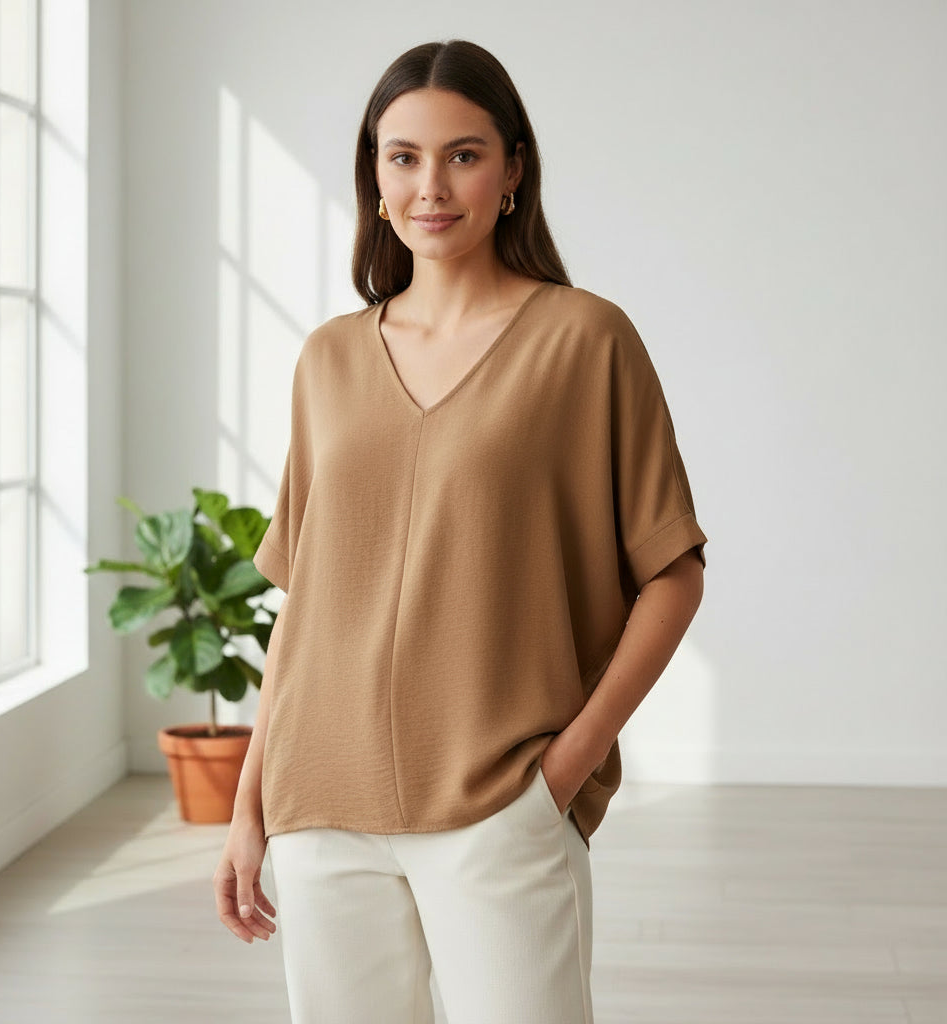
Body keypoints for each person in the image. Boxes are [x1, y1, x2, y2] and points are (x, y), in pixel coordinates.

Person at [213, 38, 708, 1024]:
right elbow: (301, 605)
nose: (430, 185)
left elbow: (672, 572)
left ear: (513, 170)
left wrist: (558, 772)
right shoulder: (328, 359)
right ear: (375, 177)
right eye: (402, 157)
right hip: (320, 808)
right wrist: (248, 808)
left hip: (498, 805)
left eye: (463, 154)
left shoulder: (584, 340)